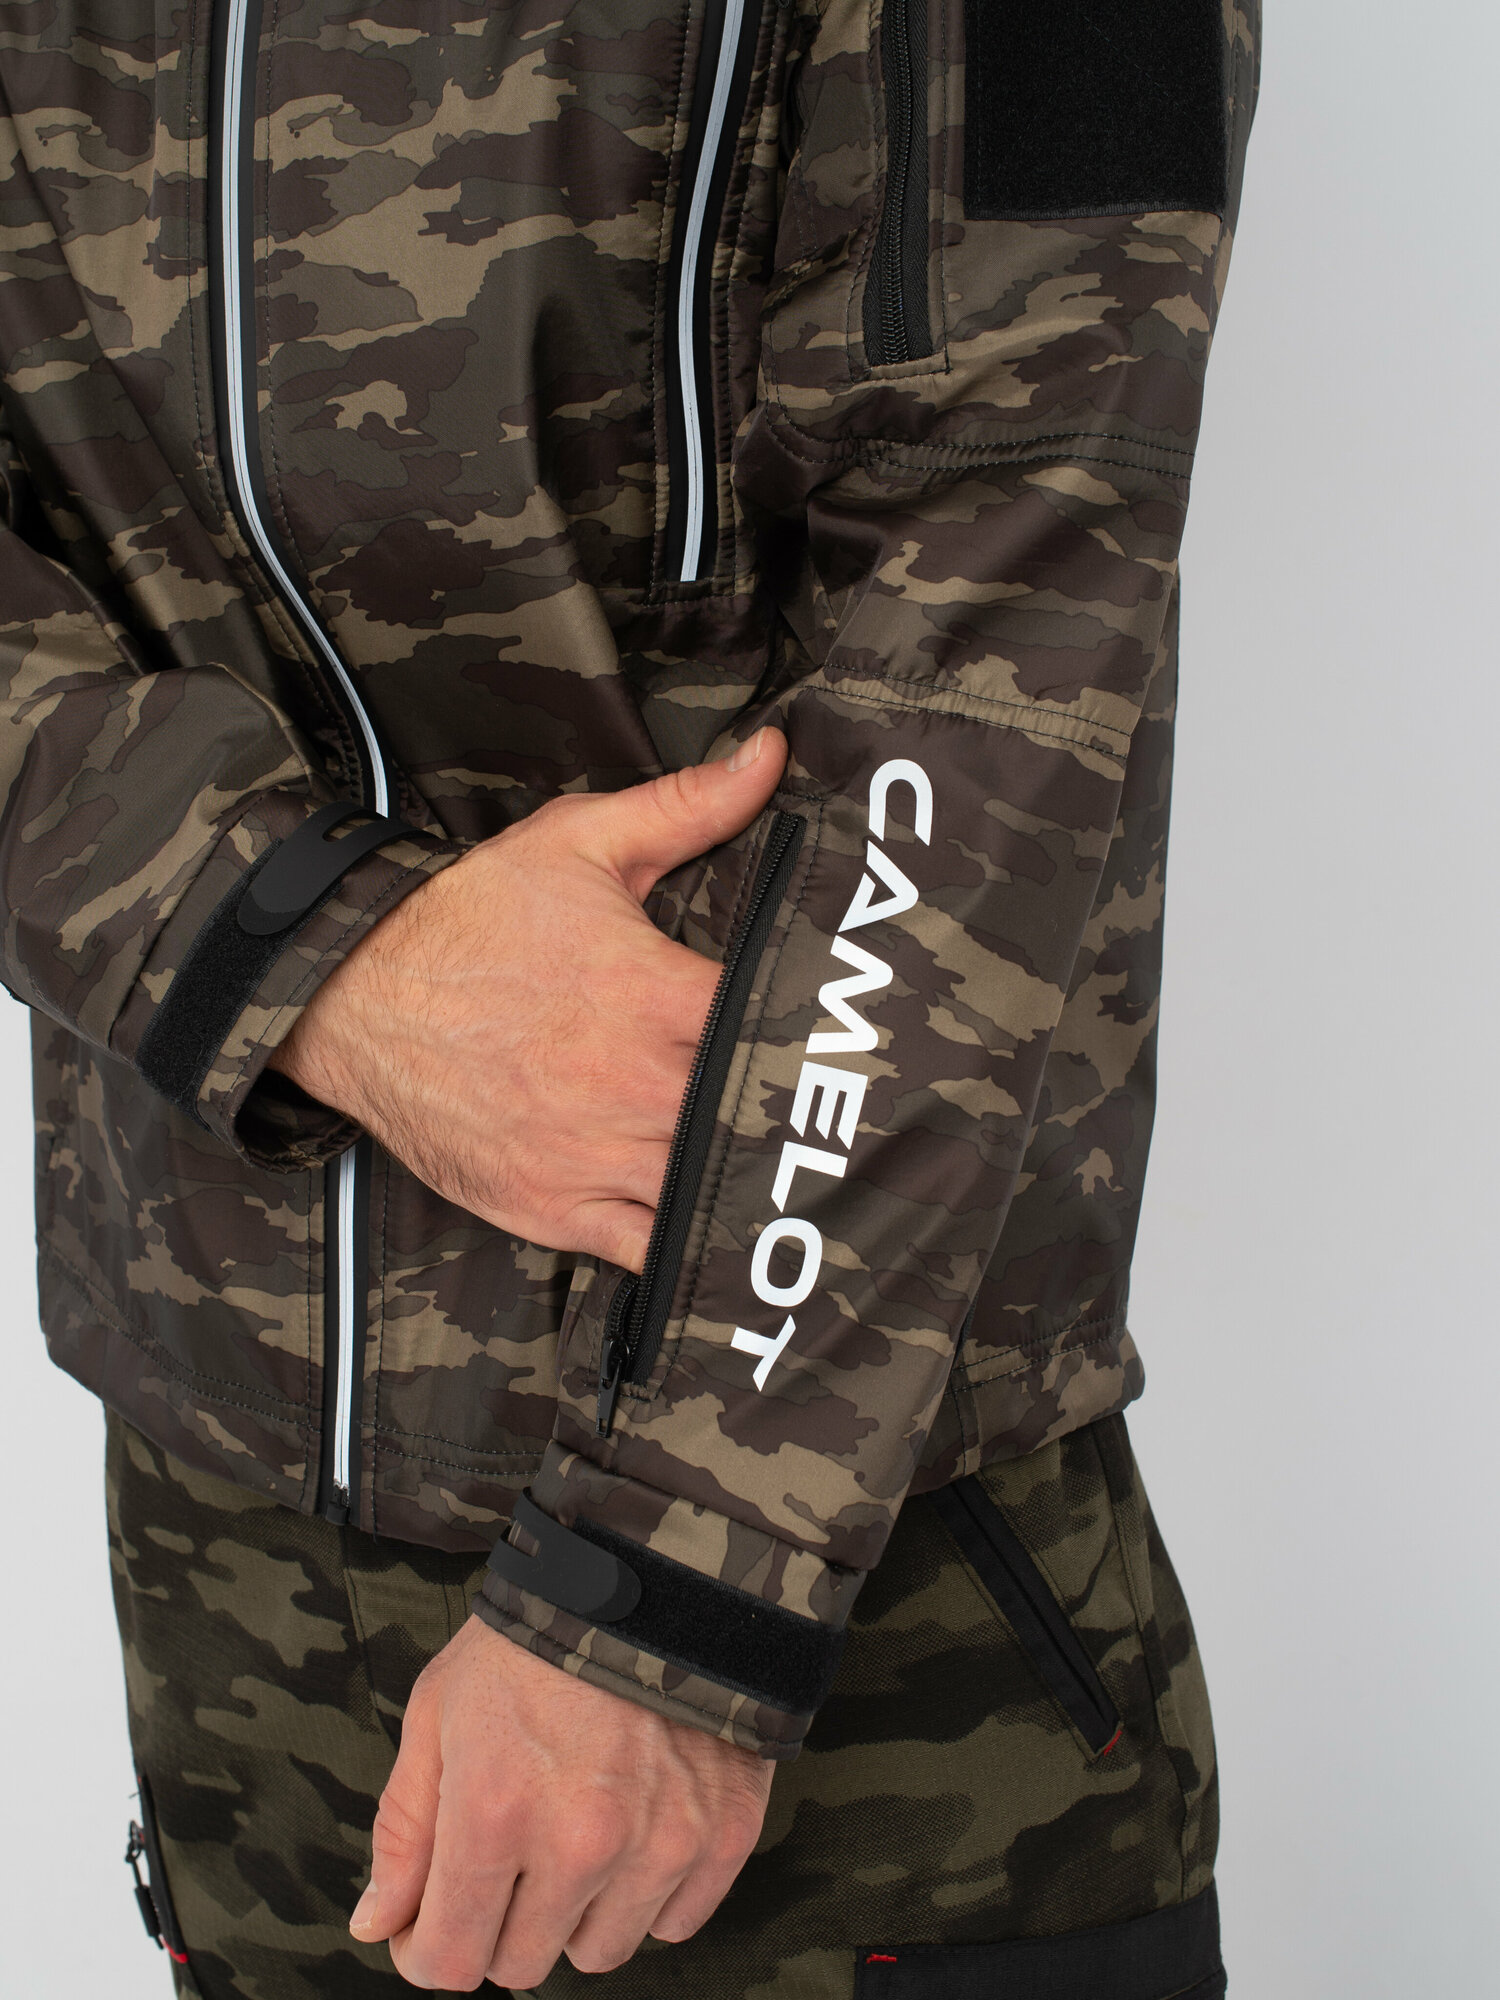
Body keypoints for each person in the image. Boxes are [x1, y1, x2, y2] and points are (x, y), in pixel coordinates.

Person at [0, 1, 1259, 1993]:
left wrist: (673, 1590)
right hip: (217, 1521)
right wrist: (306, 953)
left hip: (833, 1565)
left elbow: (1005, 619)